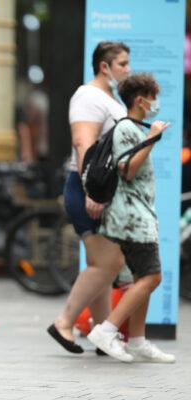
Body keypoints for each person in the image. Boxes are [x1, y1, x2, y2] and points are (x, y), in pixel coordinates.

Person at [47, 41, 132, 354]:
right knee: (111, 262)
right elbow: (83, 143)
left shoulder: (108, 97)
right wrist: (91, 190)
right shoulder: (88, 96)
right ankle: (65, 322)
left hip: (99, 189)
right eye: (122, 64)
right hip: (87, 188)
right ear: (104, 66)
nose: (128, 69)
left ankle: (101, 331)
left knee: (102, 263)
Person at [87, 73, 174, 363]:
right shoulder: (127, 128)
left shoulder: (134, 127)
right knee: (152, 276)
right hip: (132, 218)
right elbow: (126, 169)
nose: (156, 104)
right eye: (153, 97)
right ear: (140, 100)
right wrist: (151, 140)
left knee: (141, 277)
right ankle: (107, 330)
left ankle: (137, 340)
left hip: (139, 214)